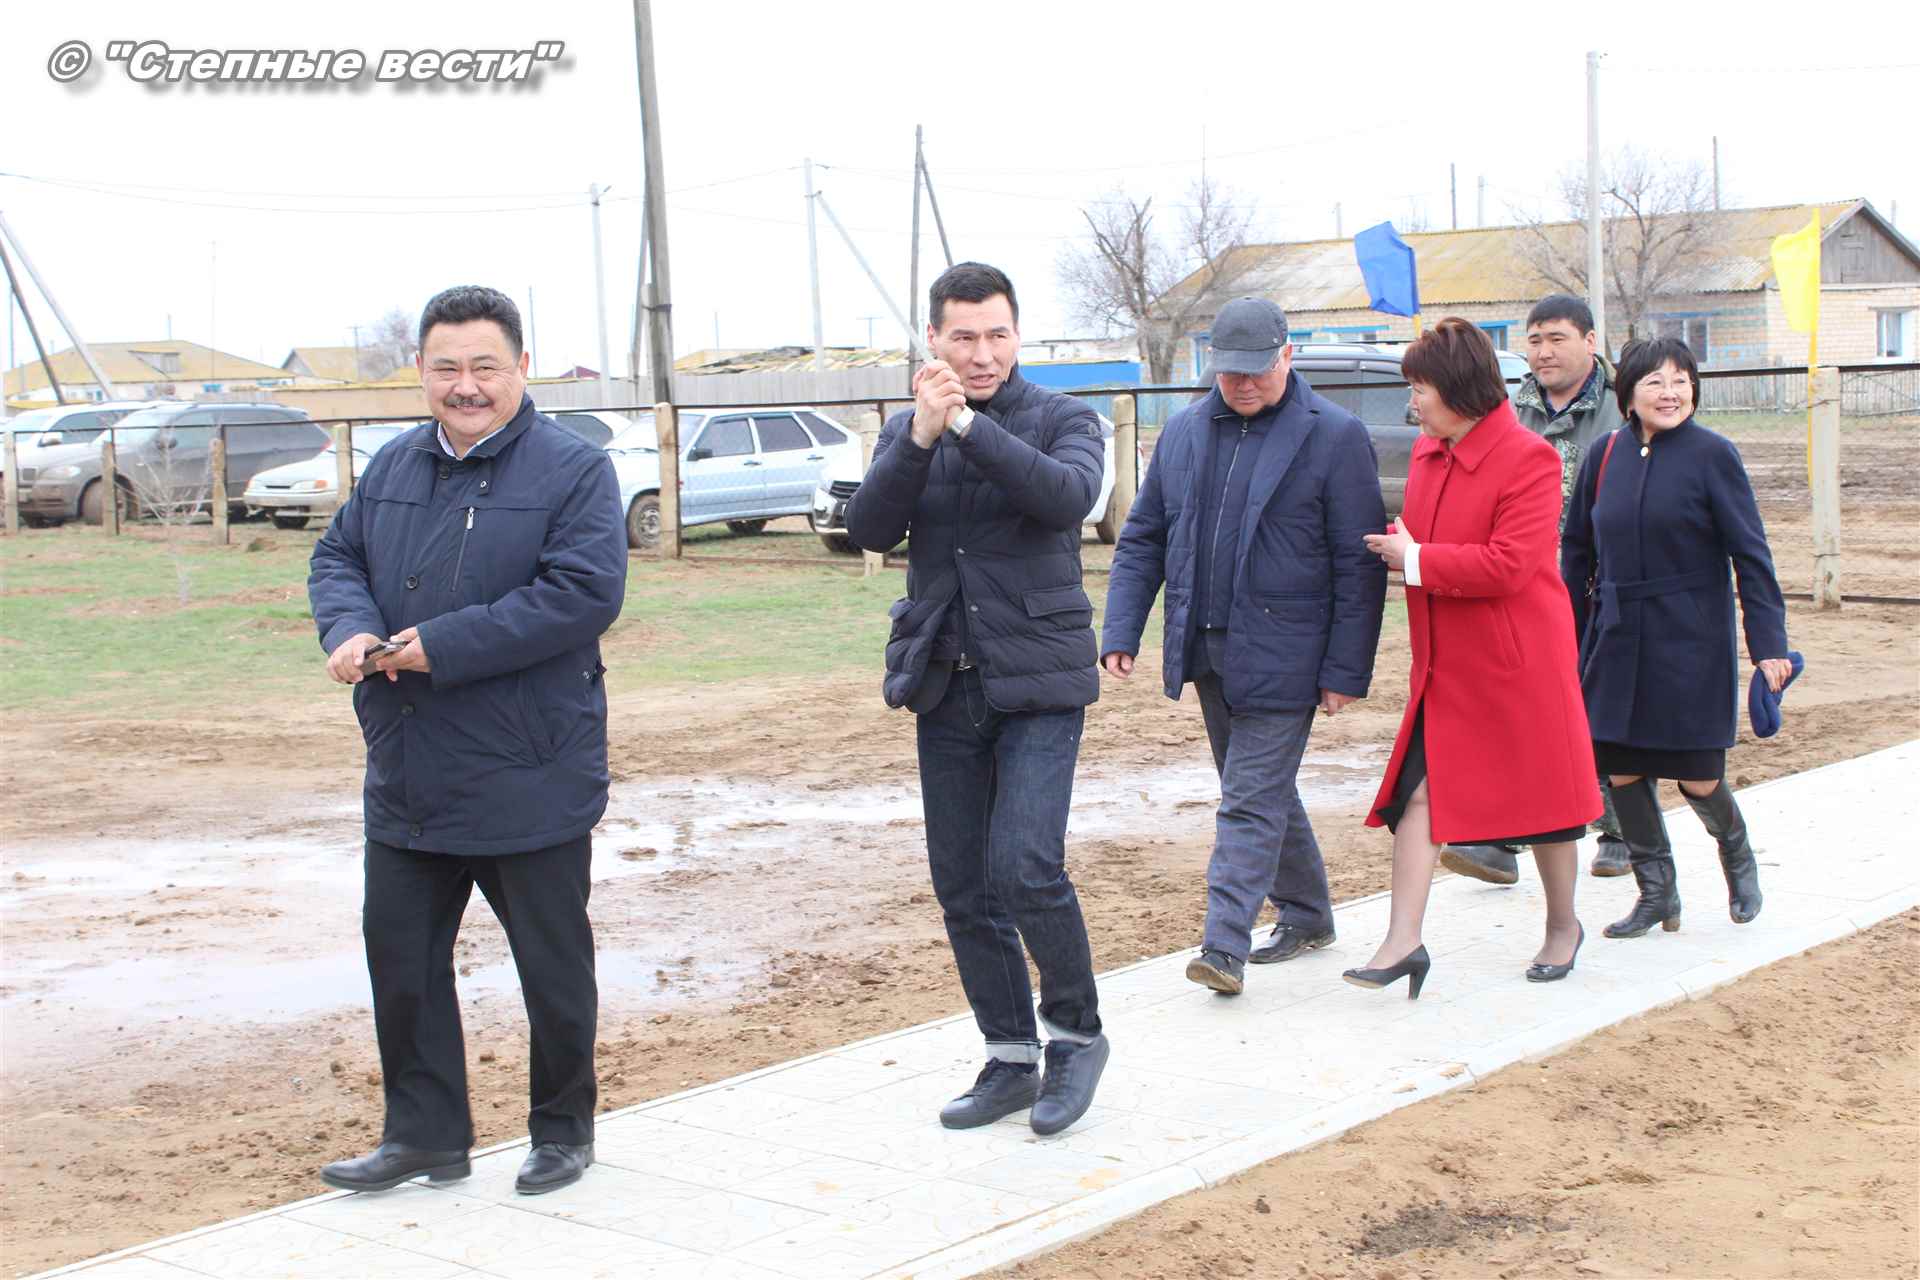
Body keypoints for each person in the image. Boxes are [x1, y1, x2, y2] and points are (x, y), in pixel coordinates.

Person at [309, 285, 627, 1195]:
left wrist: (439, 647)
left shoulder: (573, 470)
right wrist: (350, 628)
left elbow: (582, 594)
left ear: (522, 367)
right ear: (420, 371)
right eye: (446, 367)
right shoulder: (393, 465)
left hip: (530, 765)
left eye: (486, 366)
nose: (466, 385)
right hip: (409, 764)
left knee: (551, 968)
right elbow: (336, 558)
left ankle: (562, 1130)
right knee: (402, 962)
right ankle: (425, 1136)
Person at [844, 262, 1109, 1136]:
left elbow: (1065, 498)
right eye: (964, 337)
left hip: (1040, 679)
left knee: (1024, 865)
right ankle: (1009, 1057)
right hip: (946, 678)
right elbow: (869, 528)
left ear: (1018, 335)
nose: (982, 353)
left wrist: (965, 424)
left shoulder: (1064, 418)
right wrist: (921, 439)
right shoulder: (907, 429)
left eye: (998, 335)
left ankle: (1076, 1037)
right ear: (934, 340)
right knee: (963, 884)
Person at [1101, 296, 1387, 994]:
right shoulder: (1183, 432)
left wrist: (1345, 669)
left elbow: (1357, 566)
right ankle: (1308, 912)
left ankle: (1223, 945)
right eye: (1230, 371)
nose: (1243, 383)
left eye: (1257, 369)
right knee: (1258, 789)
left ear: (1288, 355)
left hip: (1289, 653)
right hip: (1207, 651)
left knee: (1247, 801)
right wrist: (1122, 628)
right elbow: (1144, 537)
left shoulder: (1335, 436)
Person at [1352, 318, 1599, 996]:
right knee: (1419, 792)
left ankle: (1562, 925)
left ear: (1458, 388)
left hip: (1519, 662)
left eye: (1420, 388)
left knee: (1547, 801)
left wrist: (1416, 559)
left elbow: (1510, 564)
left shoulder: (1529, 459)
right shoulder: (1429, 453)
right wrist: (1405, 548)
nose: (1412, 403)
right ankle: (1403, 942)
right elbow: (1424, 539)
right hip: (1446, 665)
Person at [1561, 337, 1792, 938]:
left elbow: (1751, 555)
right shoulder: (1605, 454)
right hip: (1615, 636)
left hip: (1690, 637)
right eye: (1655, 382)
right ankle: (1657, 895)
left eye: (1681, 381)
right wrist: (1570, 638)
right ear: (1629, 393)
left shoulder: (1713, 454)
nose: (1670, 393)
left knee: (1697, 773)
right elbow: (1578, 551)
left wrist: (1769, 644)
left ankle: (1738, 861)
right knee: (1622, 768)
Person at [1441, 293, 1630, 885]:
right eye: (1535, 340)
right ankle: (1505, 836)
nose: (1544, 352)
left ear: (1590, 342)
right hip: (1521, 583)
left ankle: (1622, 829)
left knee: (1601, 705)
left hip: (1602, 580)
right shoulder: (1511, 407)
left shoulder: (1622, 407)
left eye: (1557, 339)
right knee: (1524, 710)